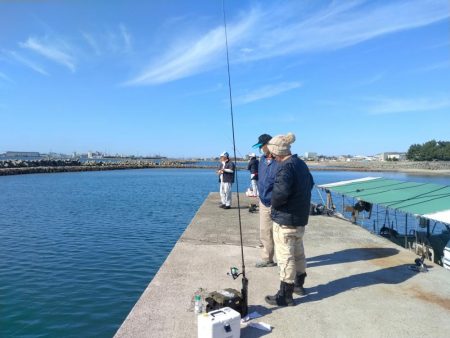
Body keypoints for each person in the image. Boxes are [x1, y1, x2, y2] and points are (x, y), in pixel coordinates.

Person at [264, 132, 314, 306]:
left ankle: (285, 295)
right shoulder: (301, 164)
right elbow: (311, 184)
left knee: (286, 257)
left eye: (272, 153)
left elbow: (280, 193)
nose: (272, 156)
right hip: (300, 218)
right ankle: (299, 286)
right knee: (298, 253)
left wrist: (273, 204)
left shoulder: (285, 167)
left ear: (278, 153)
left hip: (285, 220)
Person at [252, 134, 278, 268]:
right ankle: (267, 258)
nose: (261, 149)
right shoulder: (262, 160)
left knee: (280, 233)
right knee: (264, 231)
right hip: (263, 201)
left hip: (277, 202)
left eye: (262, 146)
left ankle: (285, 259)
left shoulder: (279, 160)